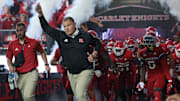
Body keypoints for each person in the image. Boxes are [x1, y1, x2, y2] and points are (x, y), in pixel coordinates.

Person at [36, 4, 101, 101]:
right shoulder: (61, 36)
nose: (66, 28)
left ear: (74, 24)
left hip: (85, 70)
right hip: (71, 72)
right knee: (76, 95)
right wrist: (40, 15)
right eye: (64, 26)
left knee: (80, 94)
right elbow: (47, 29)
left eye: (69, 25)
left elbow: (97, 43)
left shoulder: (85, 35)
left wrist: (94, 54)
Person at [6, 22, 50, 101]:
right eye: (17, 30)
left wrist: (46, 64)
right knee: (25, 96)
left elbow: (42, 52)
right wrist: (10, 66)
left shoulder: (34, 42)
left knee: (28, 96)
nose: (19, 32)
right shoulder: (12, 44)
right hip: (18, 75)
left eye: (21, 30)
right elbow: (9, 58)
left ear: (25, 30)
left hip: (32, 73)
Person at [136, 31, 173, 101]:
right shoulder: (142, 52)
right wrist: (141, 81)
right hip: (150, 76)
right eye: (147, 41)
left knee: (157, 91)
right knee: (151, 95)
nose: (149, 44)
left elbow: (165, 66)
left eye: (150, 41)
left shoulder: (160, 50)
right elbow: (143, 68)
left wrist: (169, 79)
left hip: (160, 75)